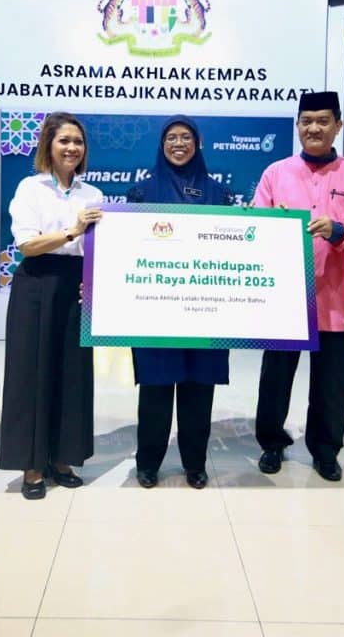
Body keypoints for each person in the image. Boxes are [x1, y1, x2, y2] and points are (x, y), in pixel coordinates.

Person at [252, 91, 344, 481]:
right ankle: (272, 443)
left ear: (338, 125)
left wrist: (340, 228)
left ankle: (326, 450)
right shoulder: (276, 172)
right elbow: (256, 223)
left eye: (323, 120)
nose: (314, 128)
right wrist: (268, 223)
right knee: (275, 377)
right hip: (284, 299)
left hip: (335, 296)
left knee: (332, 382)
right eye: (306, 121)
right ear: (297, 126)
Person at [127, 115, 235, 490]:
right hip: (155, 310)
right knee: (155, 390)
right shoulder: (141, 193)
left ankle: (195, 464)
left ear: (197, 144)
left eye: (185, 137)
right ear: (162, 144)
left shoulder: (218, 194)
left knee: (198, 390)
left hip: (205, 310)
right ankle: (148, 464)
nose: (178, 143)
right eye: (171, 137)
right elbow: (126, 250)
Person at [0, 112, 103, 499]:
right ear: (48, 145)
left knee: (72, 374)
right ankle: (31, 465)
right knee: (31, 373)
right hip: (37, 285)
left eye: (78, 141)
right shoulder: (30, 188)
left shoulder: (93, 195)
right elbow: (27, 245)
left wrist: (94, 286)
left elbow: (100, 249)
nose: (72, 148)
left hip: (76, 286)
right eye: (64, 141)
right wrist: (72, 231)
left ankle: (62, 458)